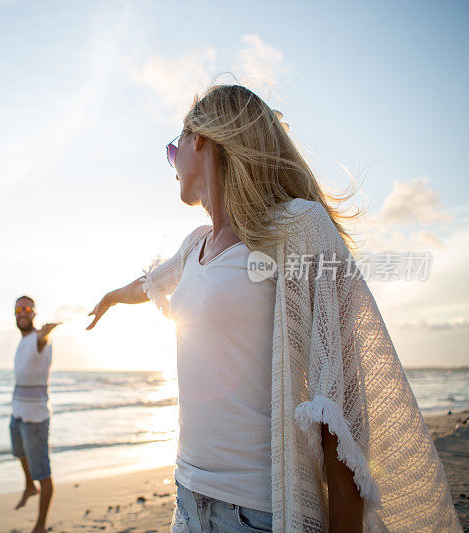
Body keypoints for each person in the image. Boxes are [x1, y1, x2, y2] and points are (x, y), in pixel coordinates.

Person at [86, 84, 460, 532]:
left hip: (255, 513)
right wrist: (110, 298)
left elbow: (338, 398)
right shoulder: (193, 247)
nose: (171, 162)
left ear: (200, 139)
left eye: (173, 149)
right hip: (187, 499)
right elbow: (151, 284)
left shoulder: (296, 230)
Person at [10, 295, 60, 533]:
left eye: (27, 308)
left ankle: (40, 525)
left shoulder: (39, 339)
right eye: (18, 308)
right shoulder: (22, 341)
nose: (22, 312)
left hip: (36, 419)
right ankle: (29, 486)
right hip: (18, 413)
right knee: (19, 453)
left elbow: (42, 340)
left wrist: (45, 333)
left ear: (34, 313)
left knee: (44, 473)